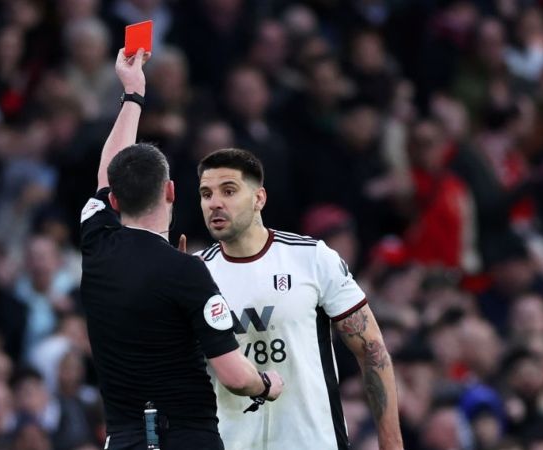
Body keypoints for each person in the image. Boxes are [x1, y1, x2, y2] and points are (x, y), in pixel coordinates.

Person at [78, 48, 283, 450]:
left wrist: (133, 93)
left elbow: (107, 172)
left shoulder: (95, 242)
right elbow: (234, 376)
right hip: (185, 439)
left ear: (114, 201)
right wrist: (267, 385)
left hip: (123, 440)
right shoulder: (186, 272)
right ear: (171, 191)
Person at [193, 148, 403, 449]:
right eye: (206, 194)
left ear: (259, 198)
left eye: (229, 191)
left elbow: (371, 349)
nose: (215, 203)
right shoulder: (194, 273)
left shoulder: (312, 258)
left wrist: (392, 443)